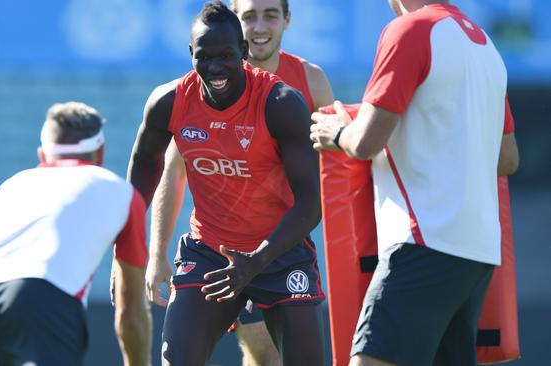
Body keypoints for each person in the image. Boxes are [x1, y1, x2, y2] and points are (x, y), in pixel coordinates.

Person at [309, 1, 520, 365]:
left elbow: (364, 143)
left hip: (422, 240)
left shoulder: (409, 31)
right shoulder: (485, 45)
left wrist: (336, 131)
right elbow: (508, 159)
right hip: (478, 252)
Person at [128, 1, 324, 365]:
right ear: (191, 54)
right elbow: (148, 164)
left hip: (278, 253)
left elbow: (312, 202)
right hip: (210, 254)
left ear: (244, 53)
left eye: (226, 56)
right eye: (204, 57)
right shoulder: (169, 102)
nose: (216, 68)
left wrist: (256, 260)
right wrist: (135, 250)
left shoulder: (281, 103)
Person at [0, 102, 151, 366]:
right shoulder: (123, 193)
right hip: (41, 298)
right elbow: (130, 314)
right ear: (101, 153)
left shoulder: (12, 185)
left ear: (42, 155)